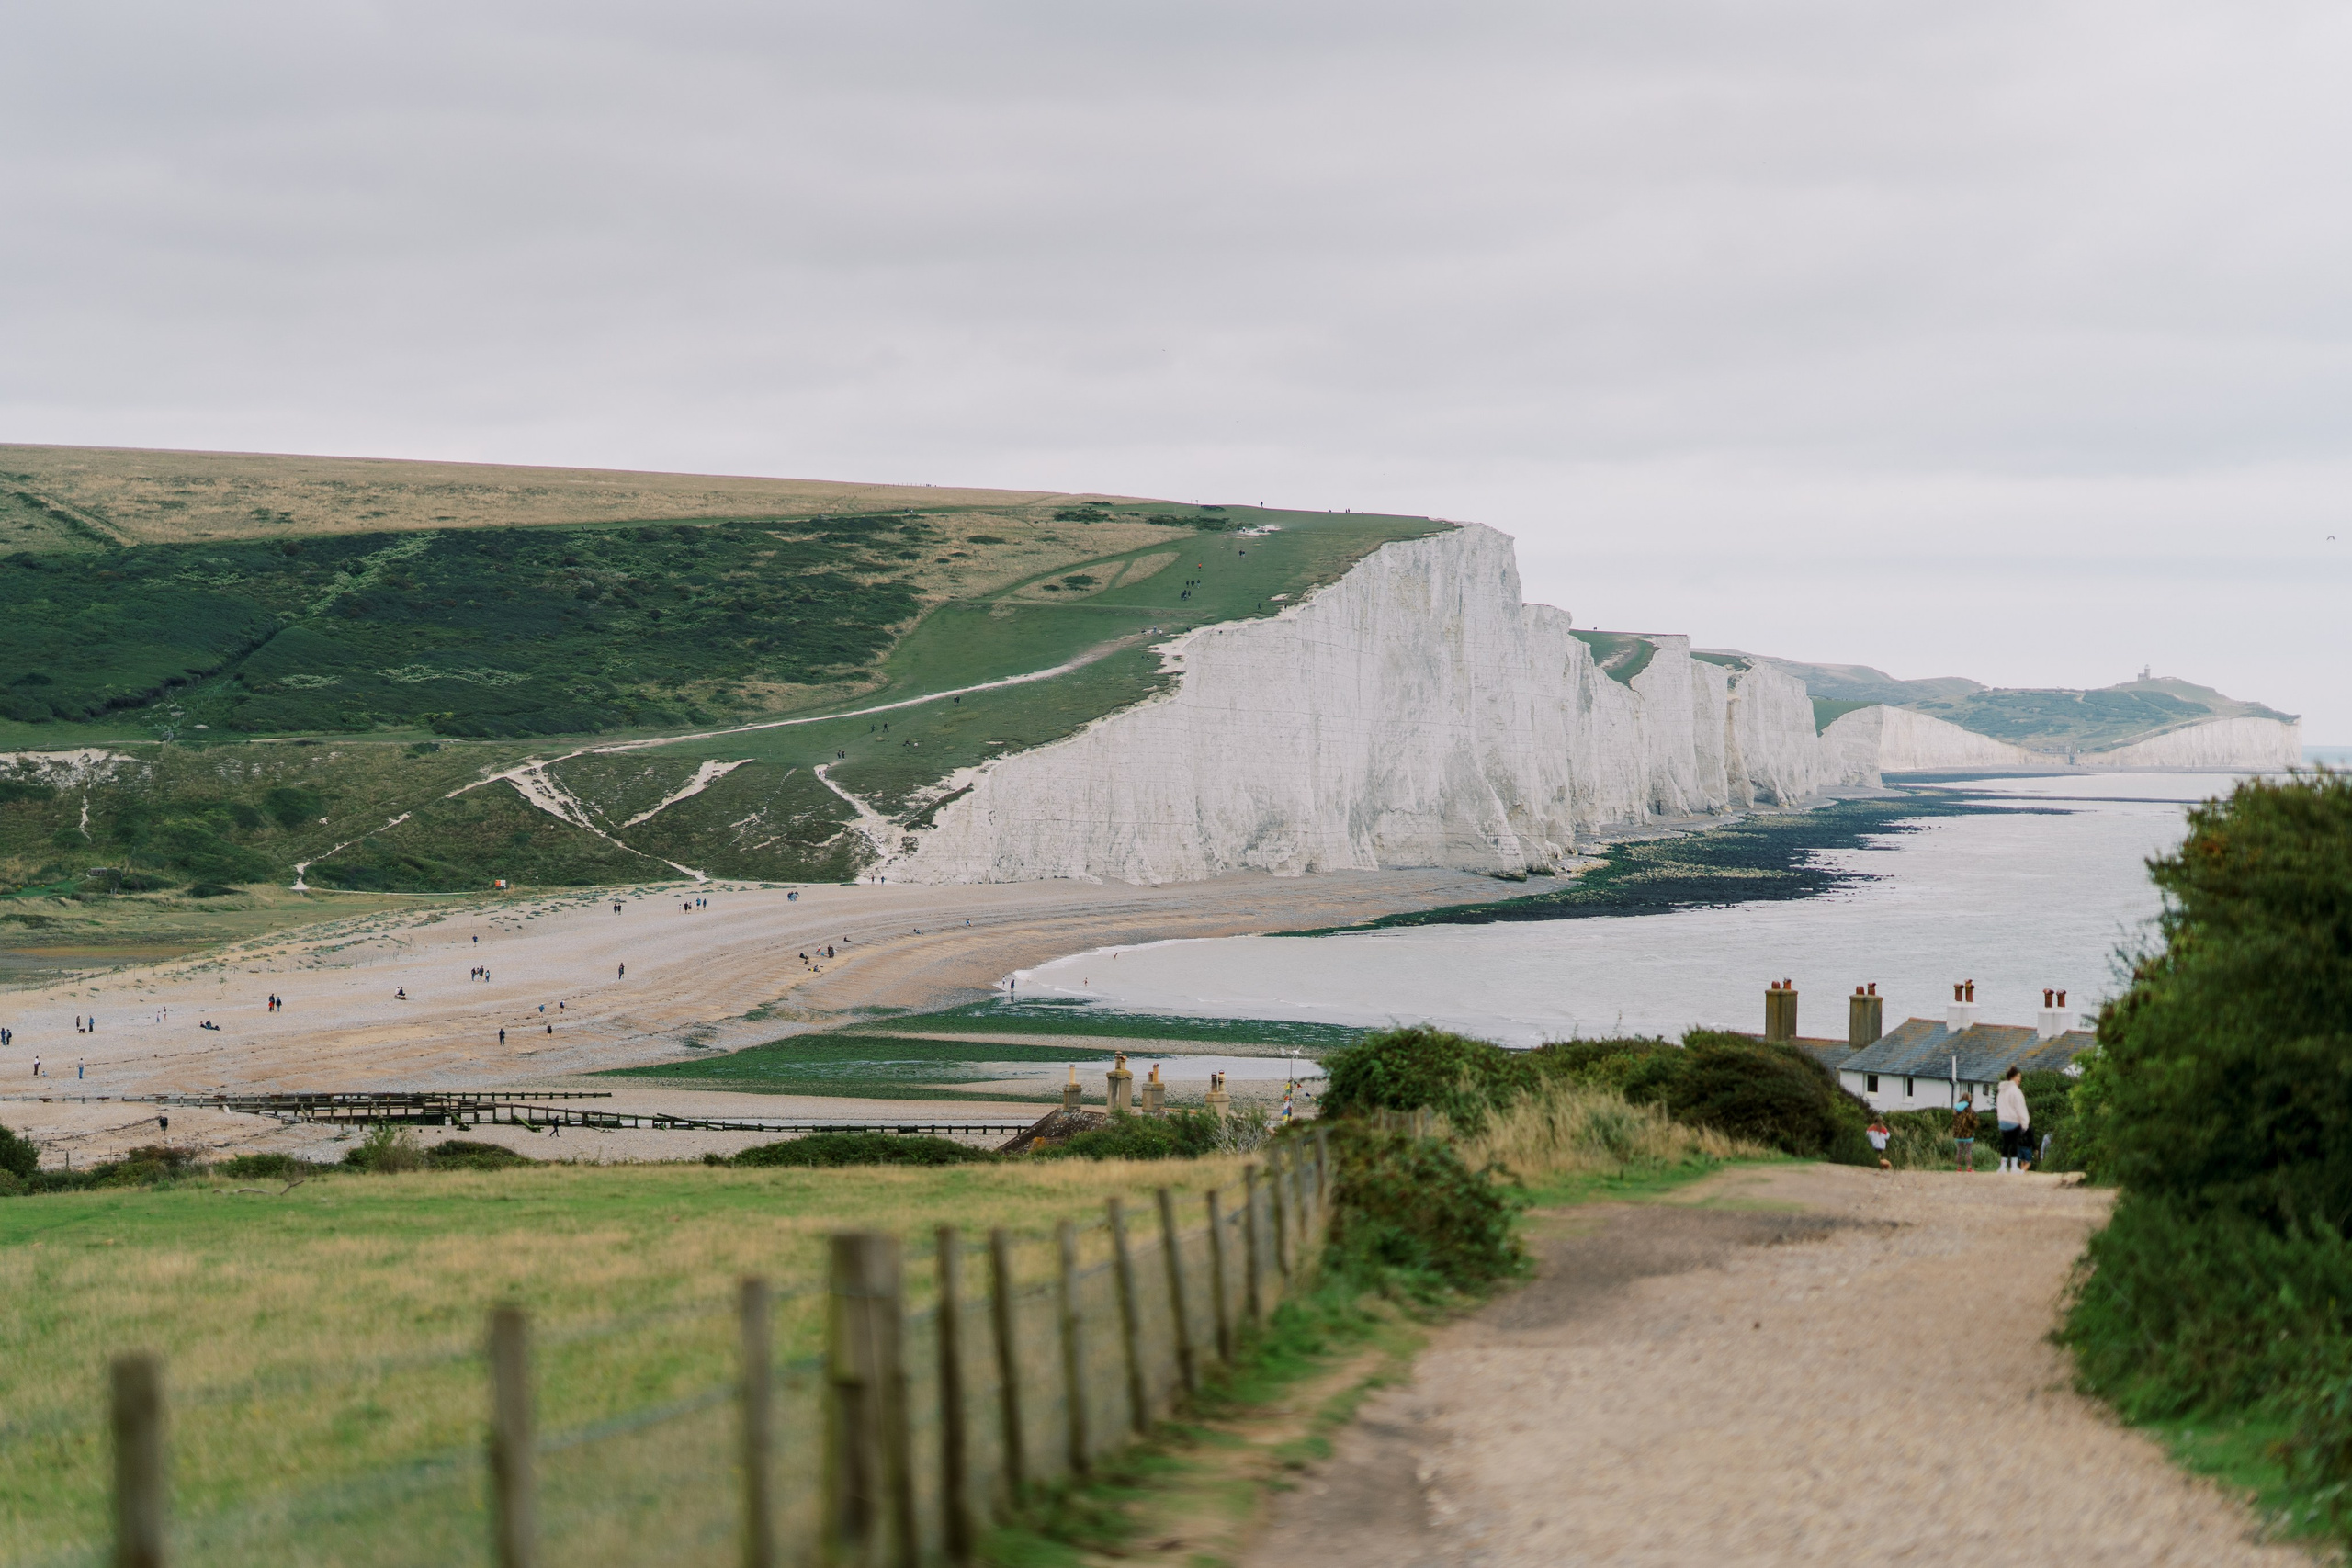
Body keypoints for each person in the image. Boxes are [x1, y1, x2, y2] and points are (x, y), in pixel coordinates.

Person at [1996, 1066, 2031, 1172]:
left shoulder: (2001, 1090)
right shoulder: (2016, 1091)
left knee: (2005, 1143)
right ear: (2013, 1077)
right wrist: (2025, 1123)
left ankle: (2003, 1166)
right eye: (2018, 1076)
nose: (2019, 1079)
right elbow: (2021, 1107)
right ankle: (2014, 1166)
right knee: (2015, 1143)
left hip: (2002, 1121)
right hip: (2013, 1121)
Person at [1953, 1096, 1979, 1172]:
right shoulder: (1970, 1111)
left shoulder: (1955, 1110)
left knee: (1959, 1150)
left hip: (1958, 1134)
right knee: (1968, 1151)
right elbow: (1975, 1123)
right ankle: (1969, 1168)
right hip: (1968, 1134)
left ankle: (1959, 1167)